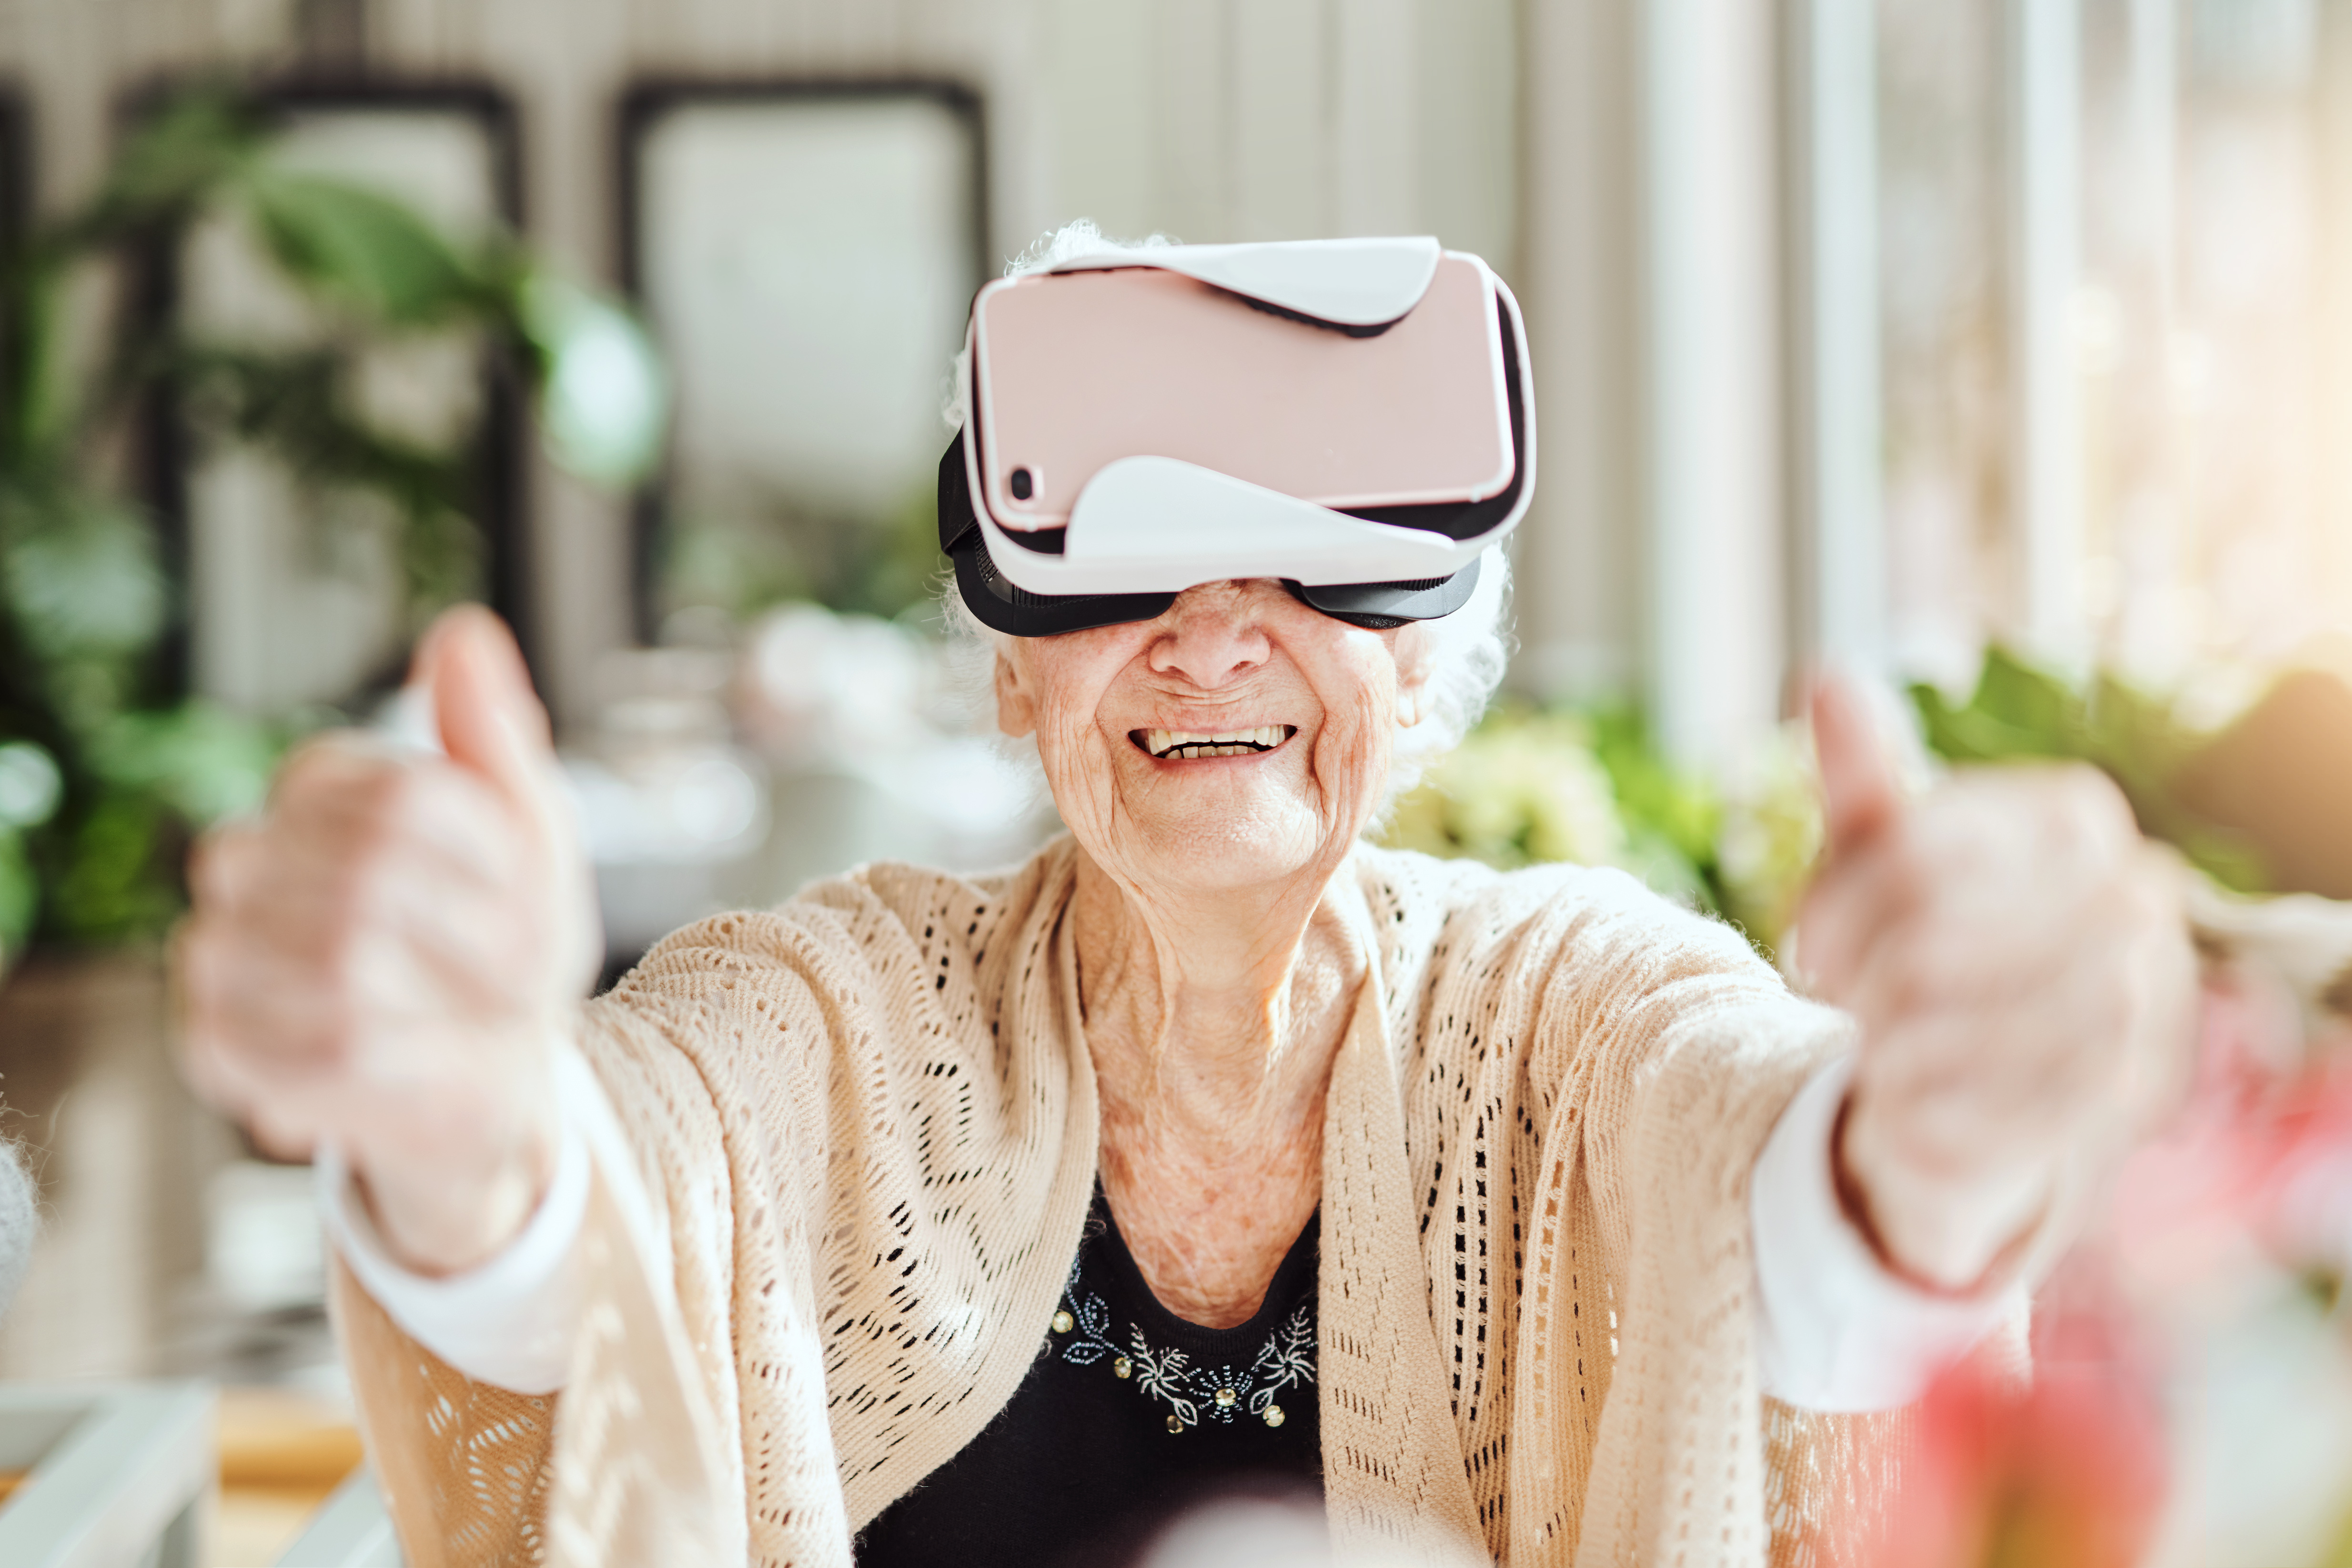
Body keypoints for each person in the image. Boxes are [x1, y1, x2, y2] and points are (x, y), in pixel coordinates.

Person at [176, 230, 2193, 1568]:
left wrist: (1923, 1173)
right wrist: (461, 1128)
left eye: (1312, 564)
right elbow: (616, 1180)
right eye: (1121, 563)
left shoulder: (1573, 1007)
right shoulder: (840, 1010)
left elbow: (1768, 1172)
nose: (1213, 634)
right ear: (1006, 663)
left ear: (1418, 665)